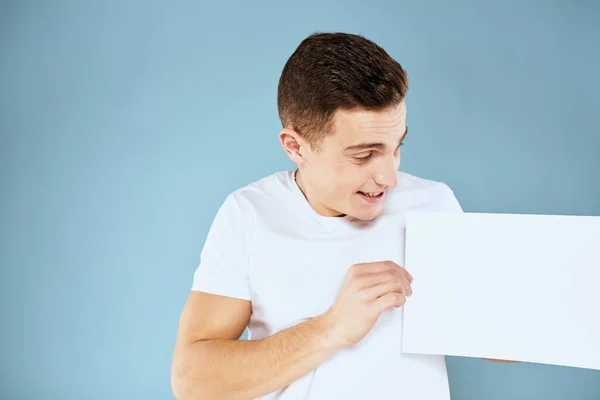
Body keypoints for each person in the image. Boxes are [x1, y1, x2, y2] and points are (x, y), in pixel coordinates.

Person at [170, 32, 505, 400]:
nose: (390, 178)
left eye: (397, 147)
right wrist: (331, 329)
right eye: (363, 156)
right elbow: (192, 381)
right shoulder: (249, 214)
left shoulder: (434, 204)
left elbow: (499, 336)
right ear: (295, 147)